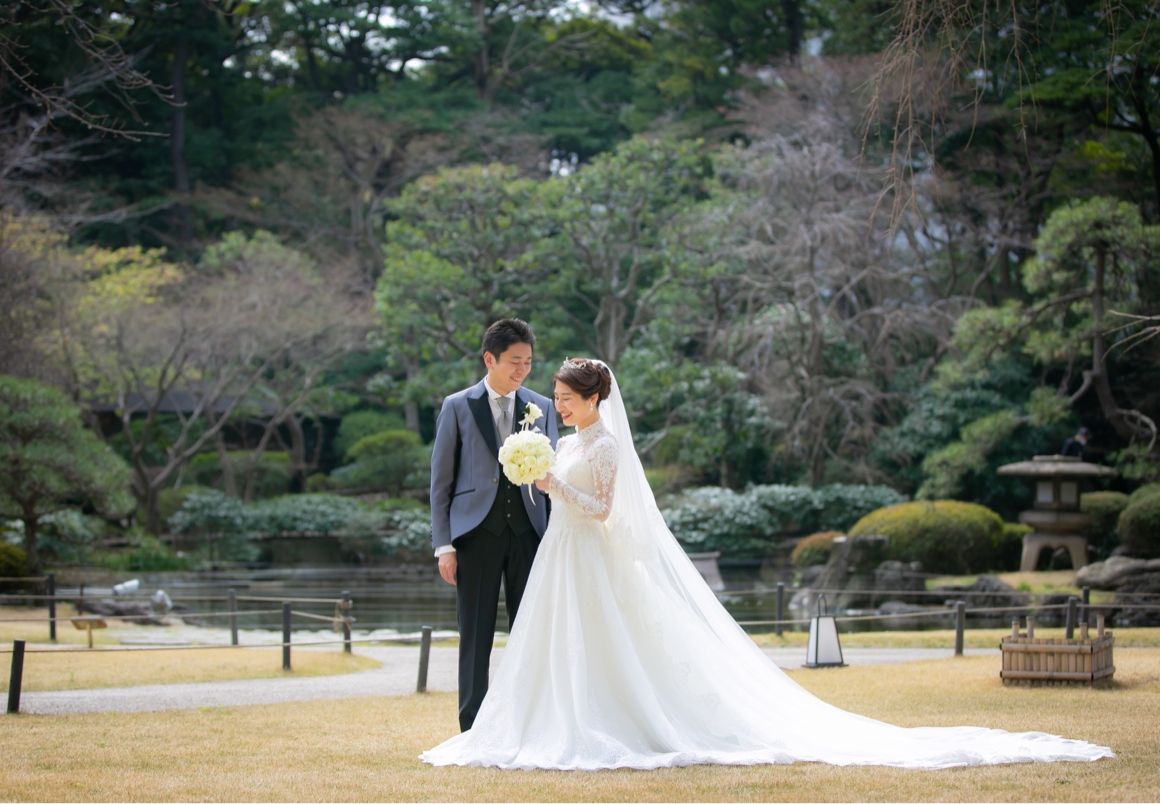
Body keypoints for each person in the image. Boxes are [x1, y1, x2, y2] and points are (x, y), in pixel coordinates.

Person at [421, 358, 1114, 770]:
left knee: (606, 644)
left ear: (595, 399)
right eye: (559, 399)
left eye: (568, 399)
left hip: (588, 551)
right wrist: (540, 474)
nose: (557, 405)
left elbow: (602, 510)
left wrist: (549, 485)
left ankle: (609, 723)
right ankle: (539, 722)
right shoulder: (567, 437)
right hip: (561, 556)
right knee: (554, 643)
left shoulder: (604, 447)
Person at [428, 319, 558, 732]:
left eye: (528, 362)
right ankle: (472, 728)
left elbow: (552, 481)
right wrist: (444, 546)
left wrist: (554, 539)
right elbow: (440, 483)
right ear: (490, 359)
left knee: (530, 635)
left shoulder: (542, 407)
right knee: (475, 635)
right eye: (515, 361)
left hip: (529, 535)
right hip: (475, 536)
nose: (523, 370)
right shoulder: (457, 406)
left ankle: (528, 725)